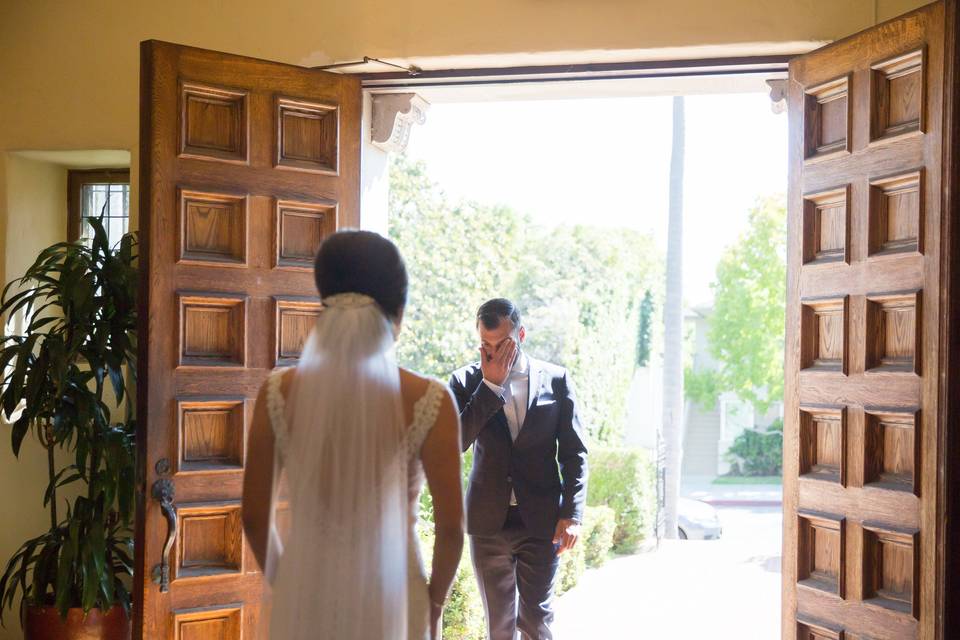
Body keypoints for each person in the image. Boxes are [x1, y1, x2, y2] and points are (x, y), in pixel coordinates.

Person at [241, 230, 464, 640]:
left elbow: (255, 519)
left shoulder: (278, 393)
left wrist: (288, 586)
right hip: (395, 597)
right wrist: (433, 604)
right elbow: (451, 528)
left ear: (323, 300)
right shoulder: (428, 399)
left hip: (307, 594)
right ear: (398, 313)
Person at [449, 298, 589, 640]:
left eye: (502, 345)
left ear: (521, 334)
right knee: (499, 626)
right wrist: (490, 386)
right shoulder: (465, 381)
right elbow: (454, 442)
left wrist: (572, 514)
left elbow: (574, 454)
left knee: (537, 623)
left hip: (541, 523)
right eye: (485, 345)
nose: (493, 353)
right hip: (487, 524)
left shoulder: (556, 380)